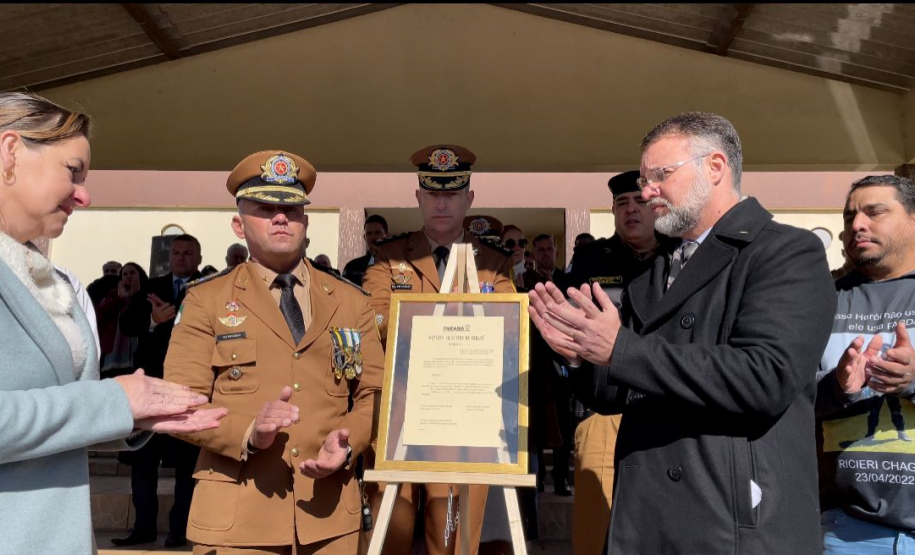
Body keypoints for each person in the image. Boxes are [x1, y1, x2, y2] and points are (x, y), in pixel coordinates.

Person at [528, 111, 836, 553]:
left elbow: (765, 377)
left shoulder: (785, 252)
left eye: (660, 176)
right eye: (644, 178)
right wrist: (579, 355)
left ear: (715, 167)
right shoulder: (659, 264)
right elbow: (618, 390)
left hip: (730, 520)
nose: (647, 191)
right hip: (647, 516)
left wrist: (619, 349)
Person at [0, 91, 225, 555]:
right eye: (73, 171)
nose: (84, 195)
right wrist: (114, 400)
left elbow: (58, 411)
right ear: (10, 152)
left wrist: (136, 411)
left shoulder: (51, 280)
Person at [164, 150, 383, 554]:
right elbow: (180, 405)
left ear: (305, 221)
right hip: (238, 520)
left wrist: (348, 442)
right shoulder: (205, 300)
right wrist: (249, 431)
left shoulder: (351, 301)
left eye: (292, 208)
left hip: (330, 516)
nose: (281, 217)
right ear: (238, 223)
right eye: (265, 208)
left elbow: (373, 393)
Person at [362, 144, 515, 555]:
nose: (442, 202)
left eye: (451, 194)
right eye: (433, 194)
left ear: (468, 199)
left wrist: (416, 319)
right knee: (390, 531)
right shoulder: (388, 256)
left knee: (452, 539)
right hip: (399, 409)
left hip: (463, 415)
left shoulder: (496, 262)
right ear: (419, 198)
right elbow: (374, 319)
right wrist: (460, 322)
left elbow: (506, 330)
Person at [562, 170, 673, 555]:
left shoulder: (681, 255)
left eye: (639, 202)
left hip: (668, 409)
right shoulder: (593, 257)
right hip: (603, 408)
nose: (630, 211)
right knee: (598, 526)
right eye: (621, 204)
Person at [816, 175, 915, 554]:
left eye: (874, 212)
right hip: (849, 531)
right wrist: (837, 387)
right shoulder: (821, 301)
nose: (857, 224)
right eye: (849, 217)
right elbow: (785, 397)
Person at [115, 233, 205, 548]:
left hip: (190, 386)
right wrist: (153, 320)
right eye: (176, 253)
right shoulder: (152, 288)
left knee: (186, 465)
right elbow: (127, 325)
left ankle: (180, 529)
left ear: (199, 258)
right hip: (150, 386)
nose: (181, 258)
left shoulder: (208, 287)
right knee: (143, 460)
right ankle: (143, 528)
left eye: (188, 253)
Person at [96, 262, 149, 378]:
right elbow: (102, 312)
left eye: (132, 273)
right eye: (125, 274)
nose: (129, 276)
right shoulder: (114, 294)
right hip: (113, 350)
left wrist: (135, 296)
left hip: (140, 348)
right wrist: (120, 298)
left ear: (139, 274)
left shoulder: (147, 293)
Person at [343, 214, 389, 286]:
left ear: (387, 235)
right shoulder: (352, 267)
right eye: (369, 233)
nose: (373, 237)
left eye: (377, 233)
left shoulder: (397, 265)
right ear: (365, 237)